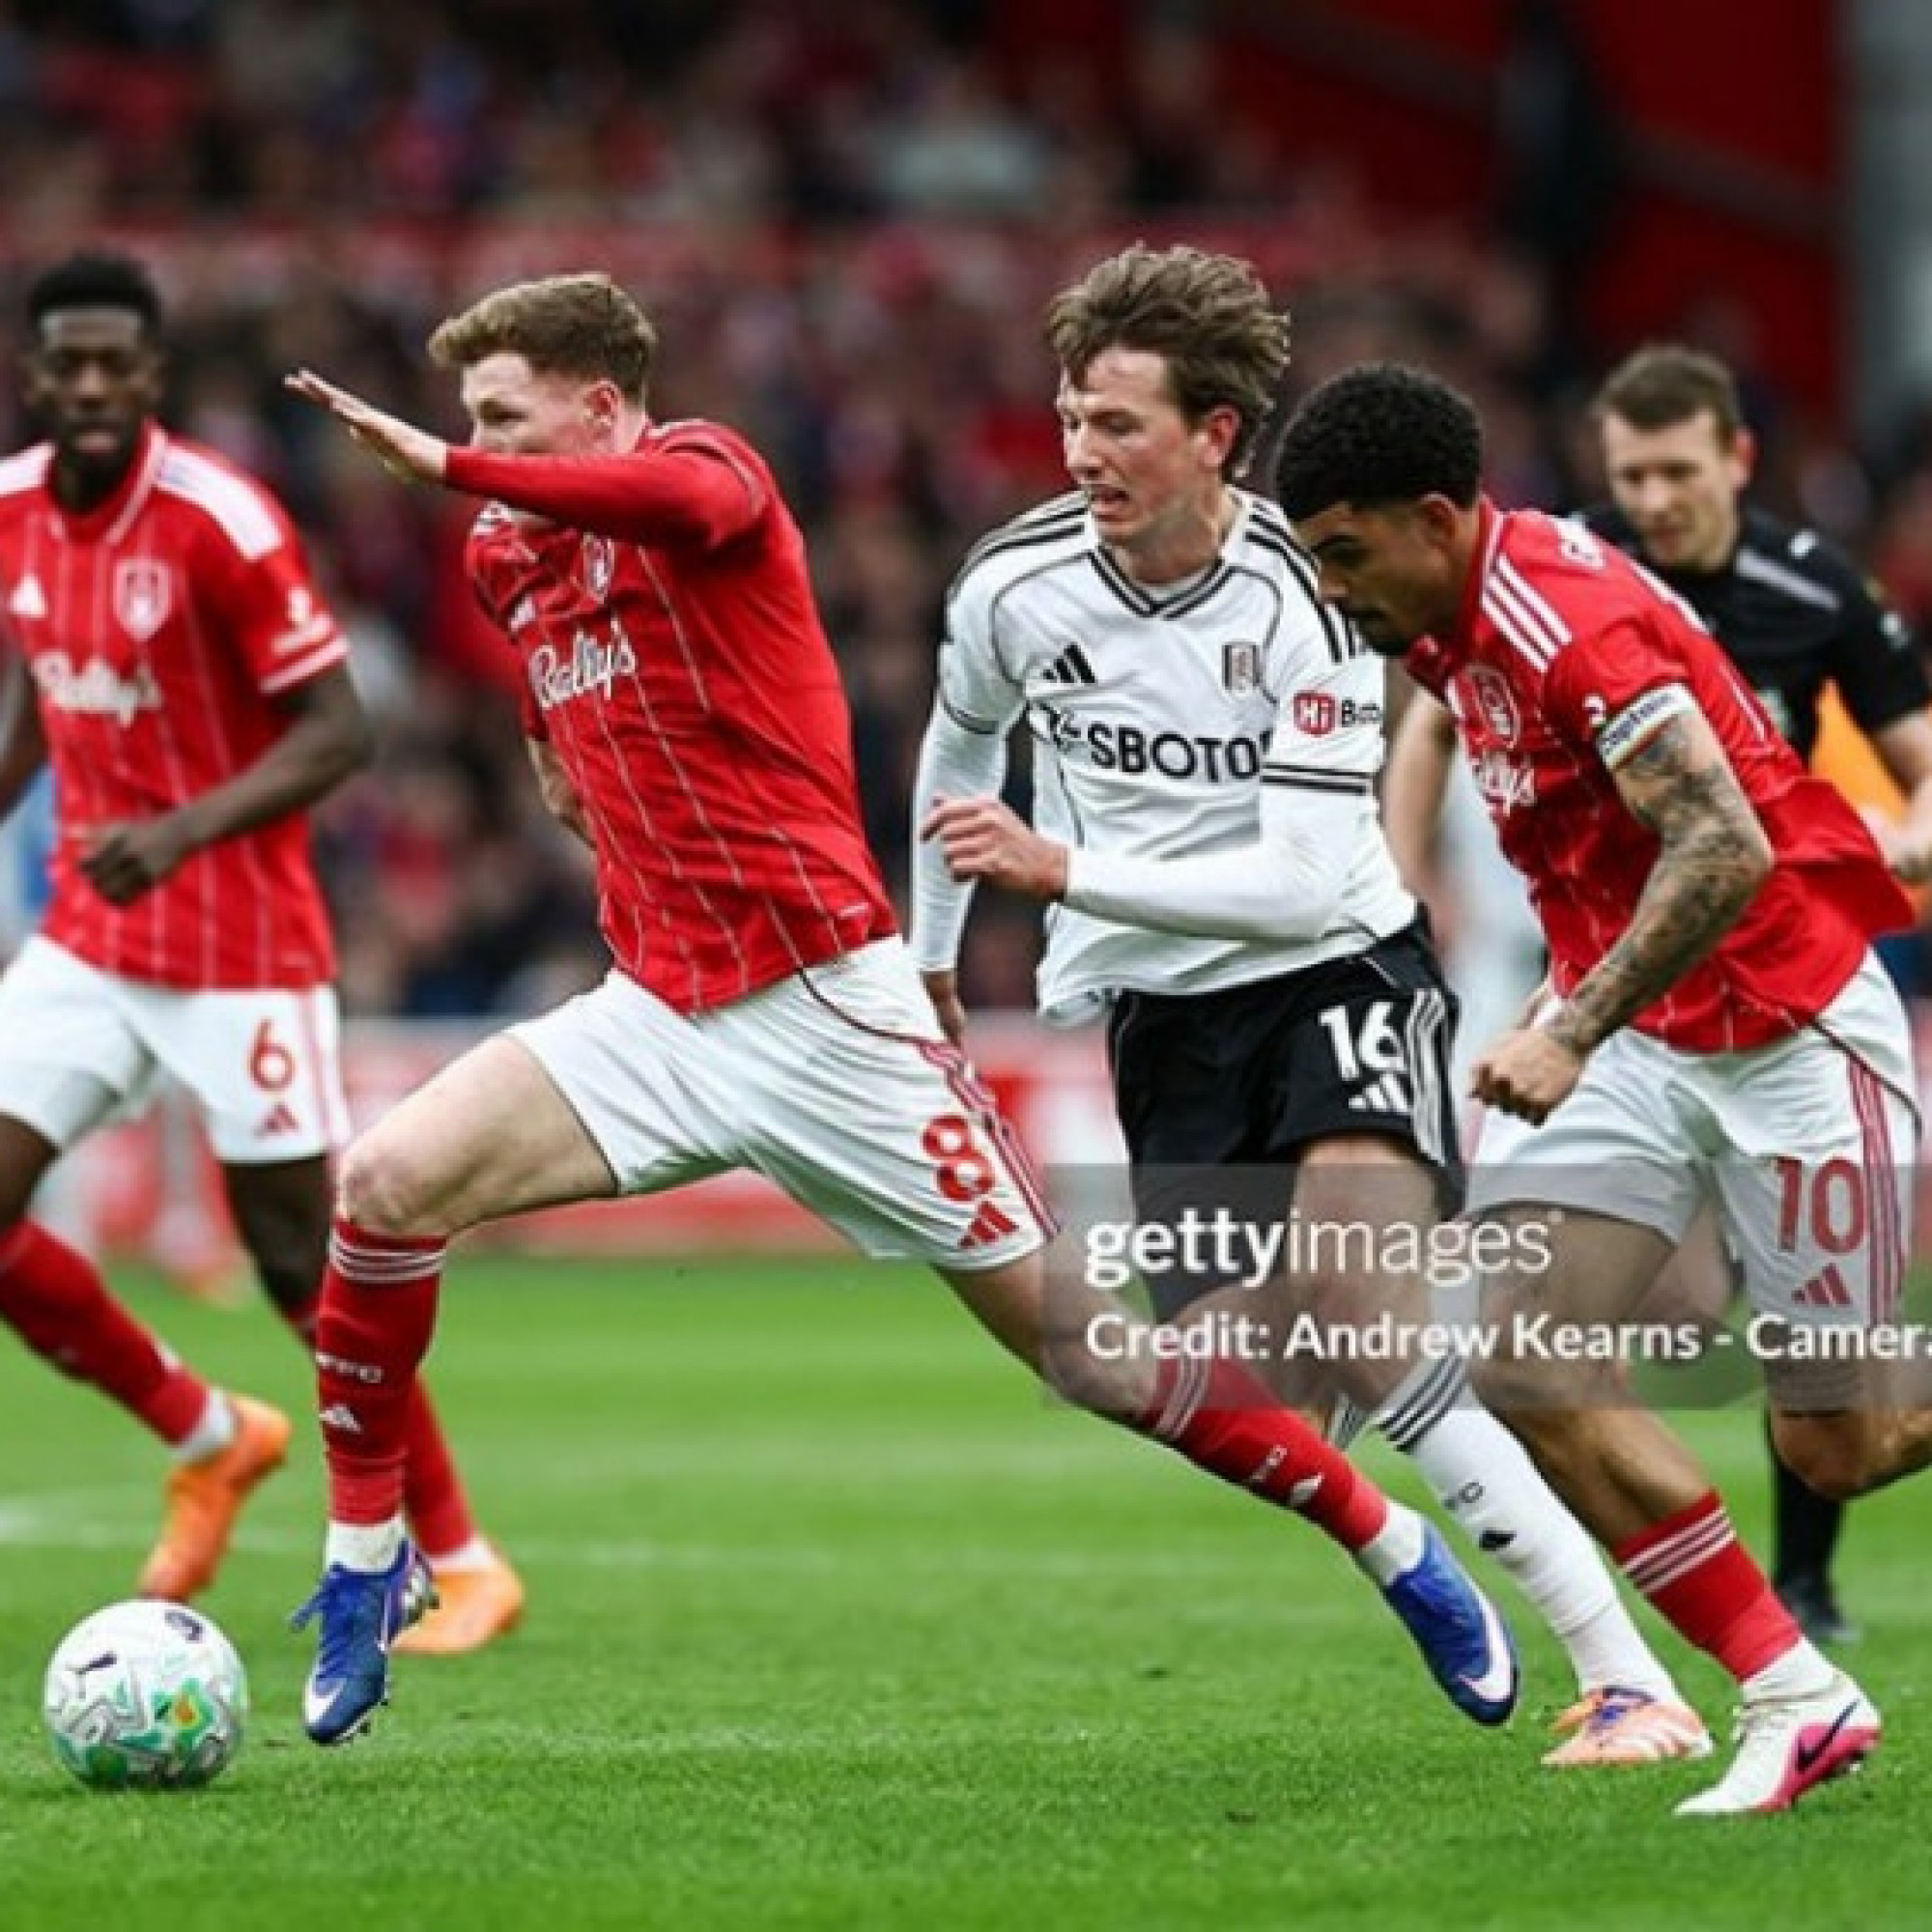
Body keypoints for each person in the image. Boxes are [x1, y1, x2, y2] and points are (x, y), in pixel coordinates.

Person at [282, 270, 1519, 1749]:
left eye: (501, 414)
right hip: (658, 1012)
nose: (467, 439)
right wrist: (569, 760)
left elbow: (677, 519)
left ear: (601, 408)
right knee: (383, 1187)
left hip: (831, 1017)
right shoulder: (507, 555)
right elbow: (562, 731)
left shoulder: (709, 470)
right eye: (461, 418)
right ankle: (368, 1566)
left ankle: (1388, 1538)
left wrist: (438, 466)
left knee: (1094, 1358)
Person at [909, 243, 1701, 1768]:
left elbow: (1287, 883)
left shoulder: (1308, 591)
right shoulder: (1012, 584)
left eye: (1120, 425)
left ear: (1214, 436)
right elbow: (959, 761)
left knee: (1361, 1305)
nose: (1085, 454)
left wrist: (1060, 866)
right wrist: (935, 965)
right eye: (1072, 419)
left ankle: (1628, 1680)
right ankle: (1404, 1527)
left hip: (1335, 970)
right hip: (1163, 1021)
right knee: (1221, 1387)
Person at [1274, 359, 1932, 1816]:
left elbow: (1725, 847)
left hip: (1788, 1031)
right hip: (1644, 1034)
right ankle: (1794, 1694)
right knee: (1521, 1355)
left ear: (1435, 518)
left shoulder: (1569, 622)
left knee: (1842, 1440)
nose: (1332, 589)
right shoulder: (1449, 621)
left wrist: (1566, 1030)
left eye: (1342, 551)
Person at [0, 250, 523, 1652]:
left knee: (305, 1263)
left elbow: (339, 729)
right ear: (38, 376)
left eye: (121, 362)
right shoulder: (9, 515)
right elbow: (41, 684)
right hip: (90, 938)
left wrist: (177, 831)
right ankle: (208, 1430)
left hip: (241, 948)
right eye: (71, 363)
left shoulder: (221, 522)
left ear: (153, 378)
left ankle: (466, 1559)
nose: (95, 384)